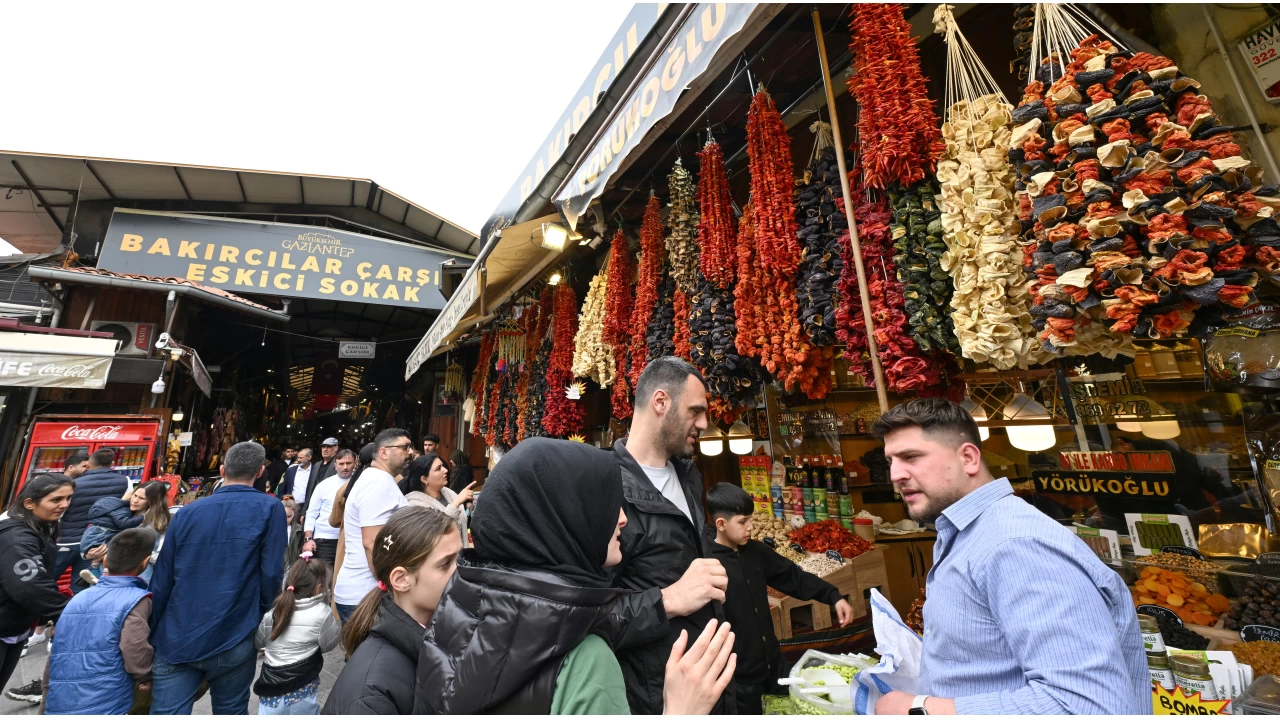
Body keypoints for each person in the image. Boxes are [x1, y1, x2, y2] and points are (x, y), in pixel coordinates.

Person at [414, 437, 737, 714]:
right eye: (604, 504)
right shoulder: (585, 658)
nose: (623, 518)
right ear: (563, 518)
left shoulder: (451, 618)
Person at [869, 398, 1148, 715]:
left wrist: (919, 708)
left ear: (968, 458)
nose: (896, 474)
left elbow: (1087, 706)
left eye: (911, 457)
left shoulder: (1017, 546)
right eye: (891, 461)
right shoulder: (968, 532)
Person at [610, 356, 731, 714]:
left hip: (710, 682)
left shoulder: (688, 475)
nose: (704, 423)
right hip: (656, 698)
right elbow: (587, 615)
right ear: (660, 402)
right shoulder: (605, 490)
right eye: (696, 411)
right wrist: (667, 600)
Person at [148, 441, 288, 715]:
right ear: (260, 472)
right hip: (235, 631)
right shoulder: (270, 507)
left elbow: (162, 577)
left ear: (222, 470)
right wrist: (260, 612)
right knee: (231, 710)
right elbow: (272, 572)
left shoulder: (187, 512)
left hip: (177, 632)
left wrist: (154, 628)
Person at [704, 483, 854, 713]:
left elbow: (794, 578)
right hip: (739, 678)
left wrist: (833, 596)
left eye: (750, 519)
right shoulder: (707, 564)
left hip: (774, 665)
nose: (750, 527)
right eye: (742, 522)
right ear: (721, 524)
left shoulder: (756, 552)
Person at [324, 507, 459, 714]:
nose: (460, 570)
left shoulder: (445, 630)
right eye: (445, 563)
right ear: (401, 579)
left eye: (460, 558)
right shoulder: (371, 696)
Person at [45, 527, 157, 715]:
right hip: (108, 700)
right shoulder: (136, 599)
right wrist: (145, 675)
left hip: (61, 701)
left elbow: (57, 650)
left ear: (105, 561)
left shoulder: (77, 598)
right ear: (146, 563)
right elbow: (134, 648)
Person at [0, 474, 73, 703]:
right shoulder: (17, 538)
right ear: (29, 503)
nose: (64, 505)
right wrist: (69, 612)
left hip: (14, 627)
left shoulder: (42, 525)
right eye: (56, 500)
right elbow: (30, 585)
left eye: (69, 498)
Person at [333, 430, 411, 623]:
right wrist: (388, 585)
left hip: (365, 593)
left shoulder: (379, 479)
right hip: (367, 595)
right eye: (404, 447)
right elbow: (372, 542)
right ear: (384, 452)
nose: (410, 452)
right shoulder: (377, 482)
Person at [253, 555, 341, 715]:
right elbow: (329, 644)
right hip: (301, 689)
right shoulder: (322, 613)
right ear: (318, 588)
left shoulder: (273, 613)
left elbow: (258, 643)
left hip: (270, 693)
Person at [54, 448, 131, 595]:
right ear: (112, 464)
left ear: (88, 464)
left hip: (67, 540)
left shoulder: (74, 484)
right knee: (81, 586)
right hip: (96, 543)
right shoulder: (125, 482)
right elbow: (125, 509)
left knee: (47, 579)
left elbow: (59, 512)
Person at [404, 453, 474, 546]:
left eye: (443, 466)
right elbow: (435, 533)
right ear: (424, 479)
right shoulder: (415, 505)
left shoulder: (449, 493)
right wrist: (456, 504)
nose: (445, 470)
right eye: (438, 469)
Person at [303, 449, 354, 568]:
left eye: (348, 463)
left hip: (351, 539)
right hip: (325, 539)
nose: (345, 467)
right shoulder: (323, 485)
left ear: (355, 463)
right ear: (335, 466)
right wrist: (308, 539)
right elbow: (311, 513)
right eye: (341, 464)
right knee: (325, 575)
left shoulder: (361, 484)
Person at [137, 482, 171, 585]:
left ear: (151, 501)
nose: (135, 500)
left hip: (142, 569)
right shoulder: (124, 513)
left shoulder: (156, 522)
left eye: (141, 498)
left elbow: (159, 554)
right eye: (134, 495)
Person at [283, 500, 305, 573]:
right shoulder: (273, 529)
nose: (286, 519)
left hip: (293, 565)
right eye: (283, 516)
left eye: (289, 516)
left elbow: (301, 547)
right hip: (279, 566)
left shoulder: (299, 529)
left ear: (294, 514)